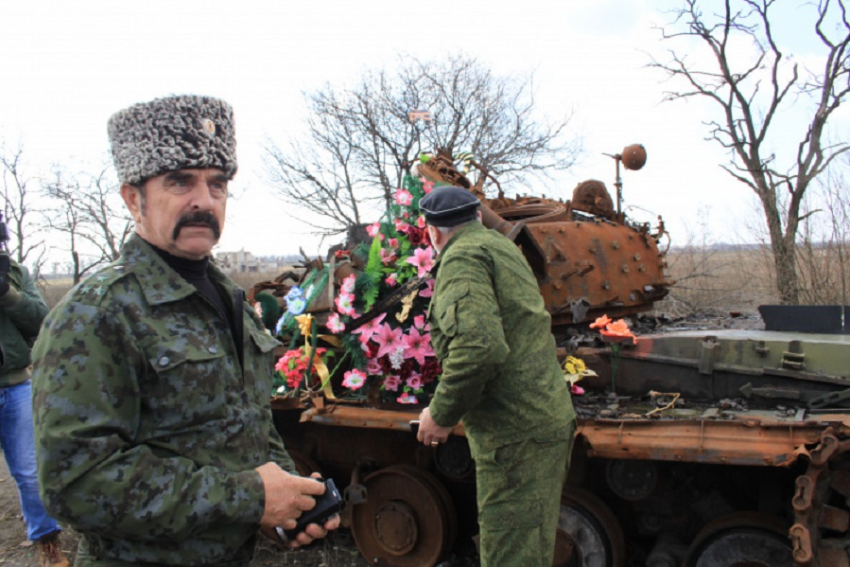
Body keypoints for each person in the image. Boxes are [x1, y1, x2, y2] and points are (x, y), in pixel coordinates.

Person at [31, 94, 339, 566]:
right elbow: (76, 484)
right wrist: (249, 498)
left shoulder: (229, 300)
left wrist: (286, 505)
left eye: (217, 185)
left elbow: (246, 424)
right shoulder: (97, 314)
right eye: (179, 182)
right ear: (133, 199)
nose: (203, 200)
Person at [415, 186, 576, 567]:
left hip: (515, 434)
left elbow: (479, 347)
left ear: (434, 233)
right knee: (529, 549)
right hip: (538, 422)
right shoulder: (500, 247)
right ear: (476, 218)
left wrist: (440, 414)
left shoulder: (463, 258)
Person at [0, 255, 68, 567]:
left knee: (30, 472)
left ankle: (46, 541)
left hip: (15, 384)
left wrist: (7, 292)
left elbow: (42, 319)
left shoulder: (13, 272)